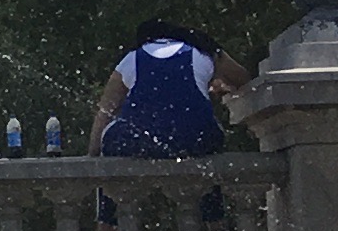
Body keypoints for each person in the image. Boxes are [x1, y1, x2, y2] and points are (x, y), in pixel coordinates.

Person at [93, 19, 247, 158]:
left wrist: (91, 154)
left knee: (109, 132)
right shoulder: (204, 51)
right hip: (196, 140)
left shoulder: (130, 59)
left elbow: (106, 112)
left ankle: (104, 190)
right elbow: (243, 78)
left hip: (138, 144)